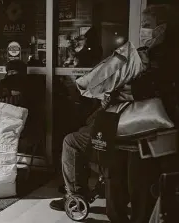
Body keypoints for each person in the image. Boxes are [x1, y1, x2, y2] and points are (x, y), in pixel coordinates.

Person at [50, 4, 177, 223]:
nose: (143, 31)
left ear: (162, 28)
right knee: (117, 184)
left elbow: (153, 88)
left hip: (145, 134)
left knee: (136, 190)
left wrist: (118, 90)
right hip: (125, 131)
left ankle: (79, 196)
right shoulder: (143, 55)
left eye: (148, 25)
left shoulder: (164, 57)